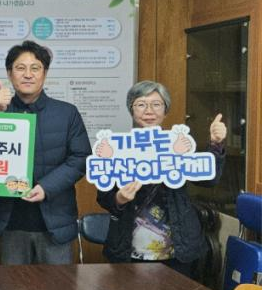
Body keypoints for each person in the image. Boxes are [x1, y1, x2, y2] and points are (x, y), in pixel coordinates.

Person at [97, 80, 227, 278]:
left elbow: (209, 180)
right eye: (141, 104)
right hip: (129, 248)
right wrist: (120, 199)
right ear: (132, 110)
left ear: (165, 111)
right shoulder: (116, 148)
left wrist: (216, 145)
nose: (149, 111)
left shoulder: (178, 144)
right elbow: (104, 197)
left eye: (156, 104)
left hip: (178, 249)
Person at [0, 40, 92, 265]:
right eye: (20, 68)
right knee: (11, 285)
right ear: (9, 74)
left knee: (58, 284)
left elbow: (80, 159)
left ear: (45, 73)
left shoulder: (67, 113)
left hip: (55, 222)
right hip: (9, 223)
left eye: (35, 68)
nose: (28, 74)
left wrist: (46, 187)